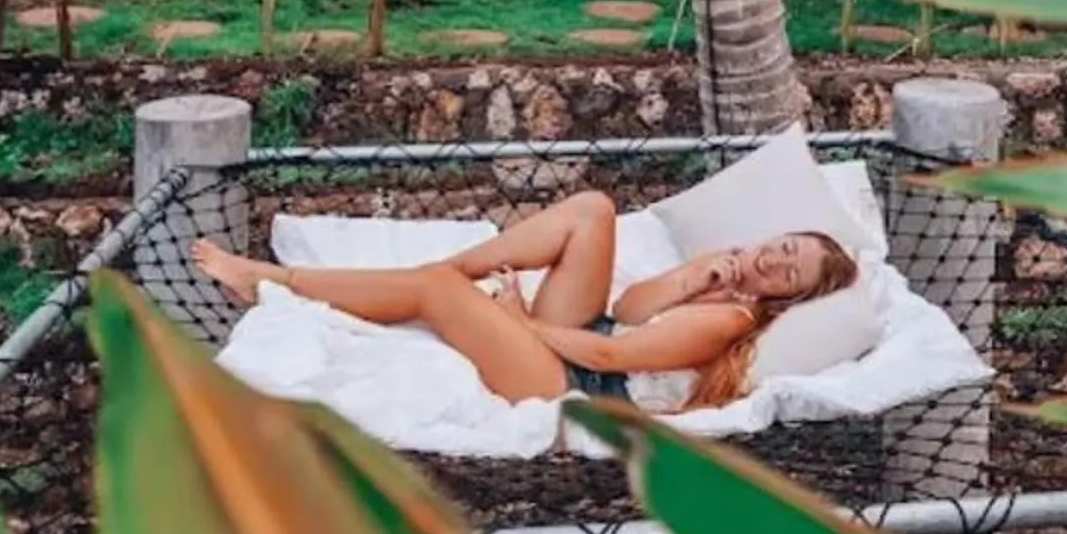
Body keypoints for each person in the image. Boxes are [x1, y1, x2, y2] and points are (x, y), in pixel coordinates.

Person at [192, 187, 860, 412]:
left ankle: (272, 282)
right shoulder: (718, 285)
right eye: (784, 245)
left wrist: (517, 323)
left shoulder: (730, 320)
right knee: (593, 209)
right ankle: (434, 271)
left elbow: (611, 350)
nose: (773, 259)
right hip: (590, 337)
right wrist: (692, 275)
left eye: (789, 271)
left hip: (575, 381)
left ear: (789, 298)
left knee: (434, 293)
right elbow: (628, 311)